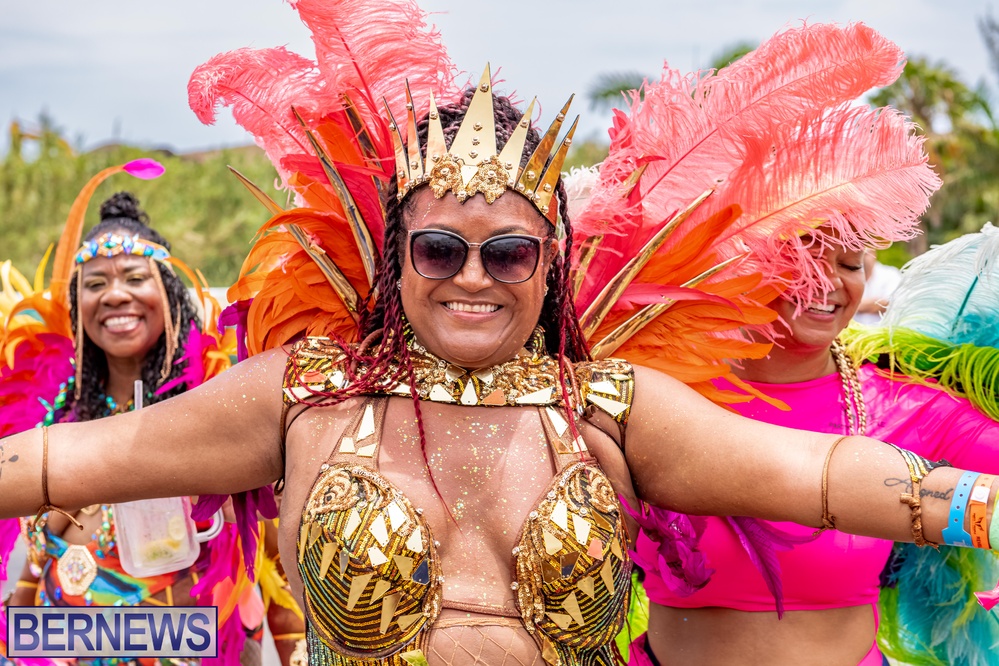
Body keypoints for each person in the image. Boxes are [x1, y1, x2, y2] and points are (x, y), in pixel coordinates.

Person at [2, 69, 999, 666]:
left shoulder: (609, 408)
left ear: (549, 262)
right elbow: (67, 462)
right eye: (440, 249)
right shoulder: (305, 393)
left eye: (508, 253)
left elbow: (818, 474)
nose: (473, 277)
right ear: (396, 258)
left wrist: (977, 507)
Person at [633, 238, 999, 665]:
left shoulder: (911, 408)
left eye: (850, 264)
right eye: (800, 259)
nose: (827, 282)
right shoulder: (654, 389)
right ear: (738, 262)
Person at [0, 180, 302, 664]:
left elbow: (275, 570)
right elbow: (34, 571)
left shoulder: (219, 410)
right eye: (95, 284)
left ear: (170, 294)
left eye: (135, 278)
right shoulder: (53, 415)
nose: (115, 295)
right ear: (77, 307)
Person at [854, 250, 902, 325]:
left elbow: (893, 304)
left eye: (866, 254)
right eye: (859, 254)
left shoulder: (891, 274)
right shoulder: (848, 274)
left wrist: (853, 306)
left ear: (874, 254)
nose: (862, 258)